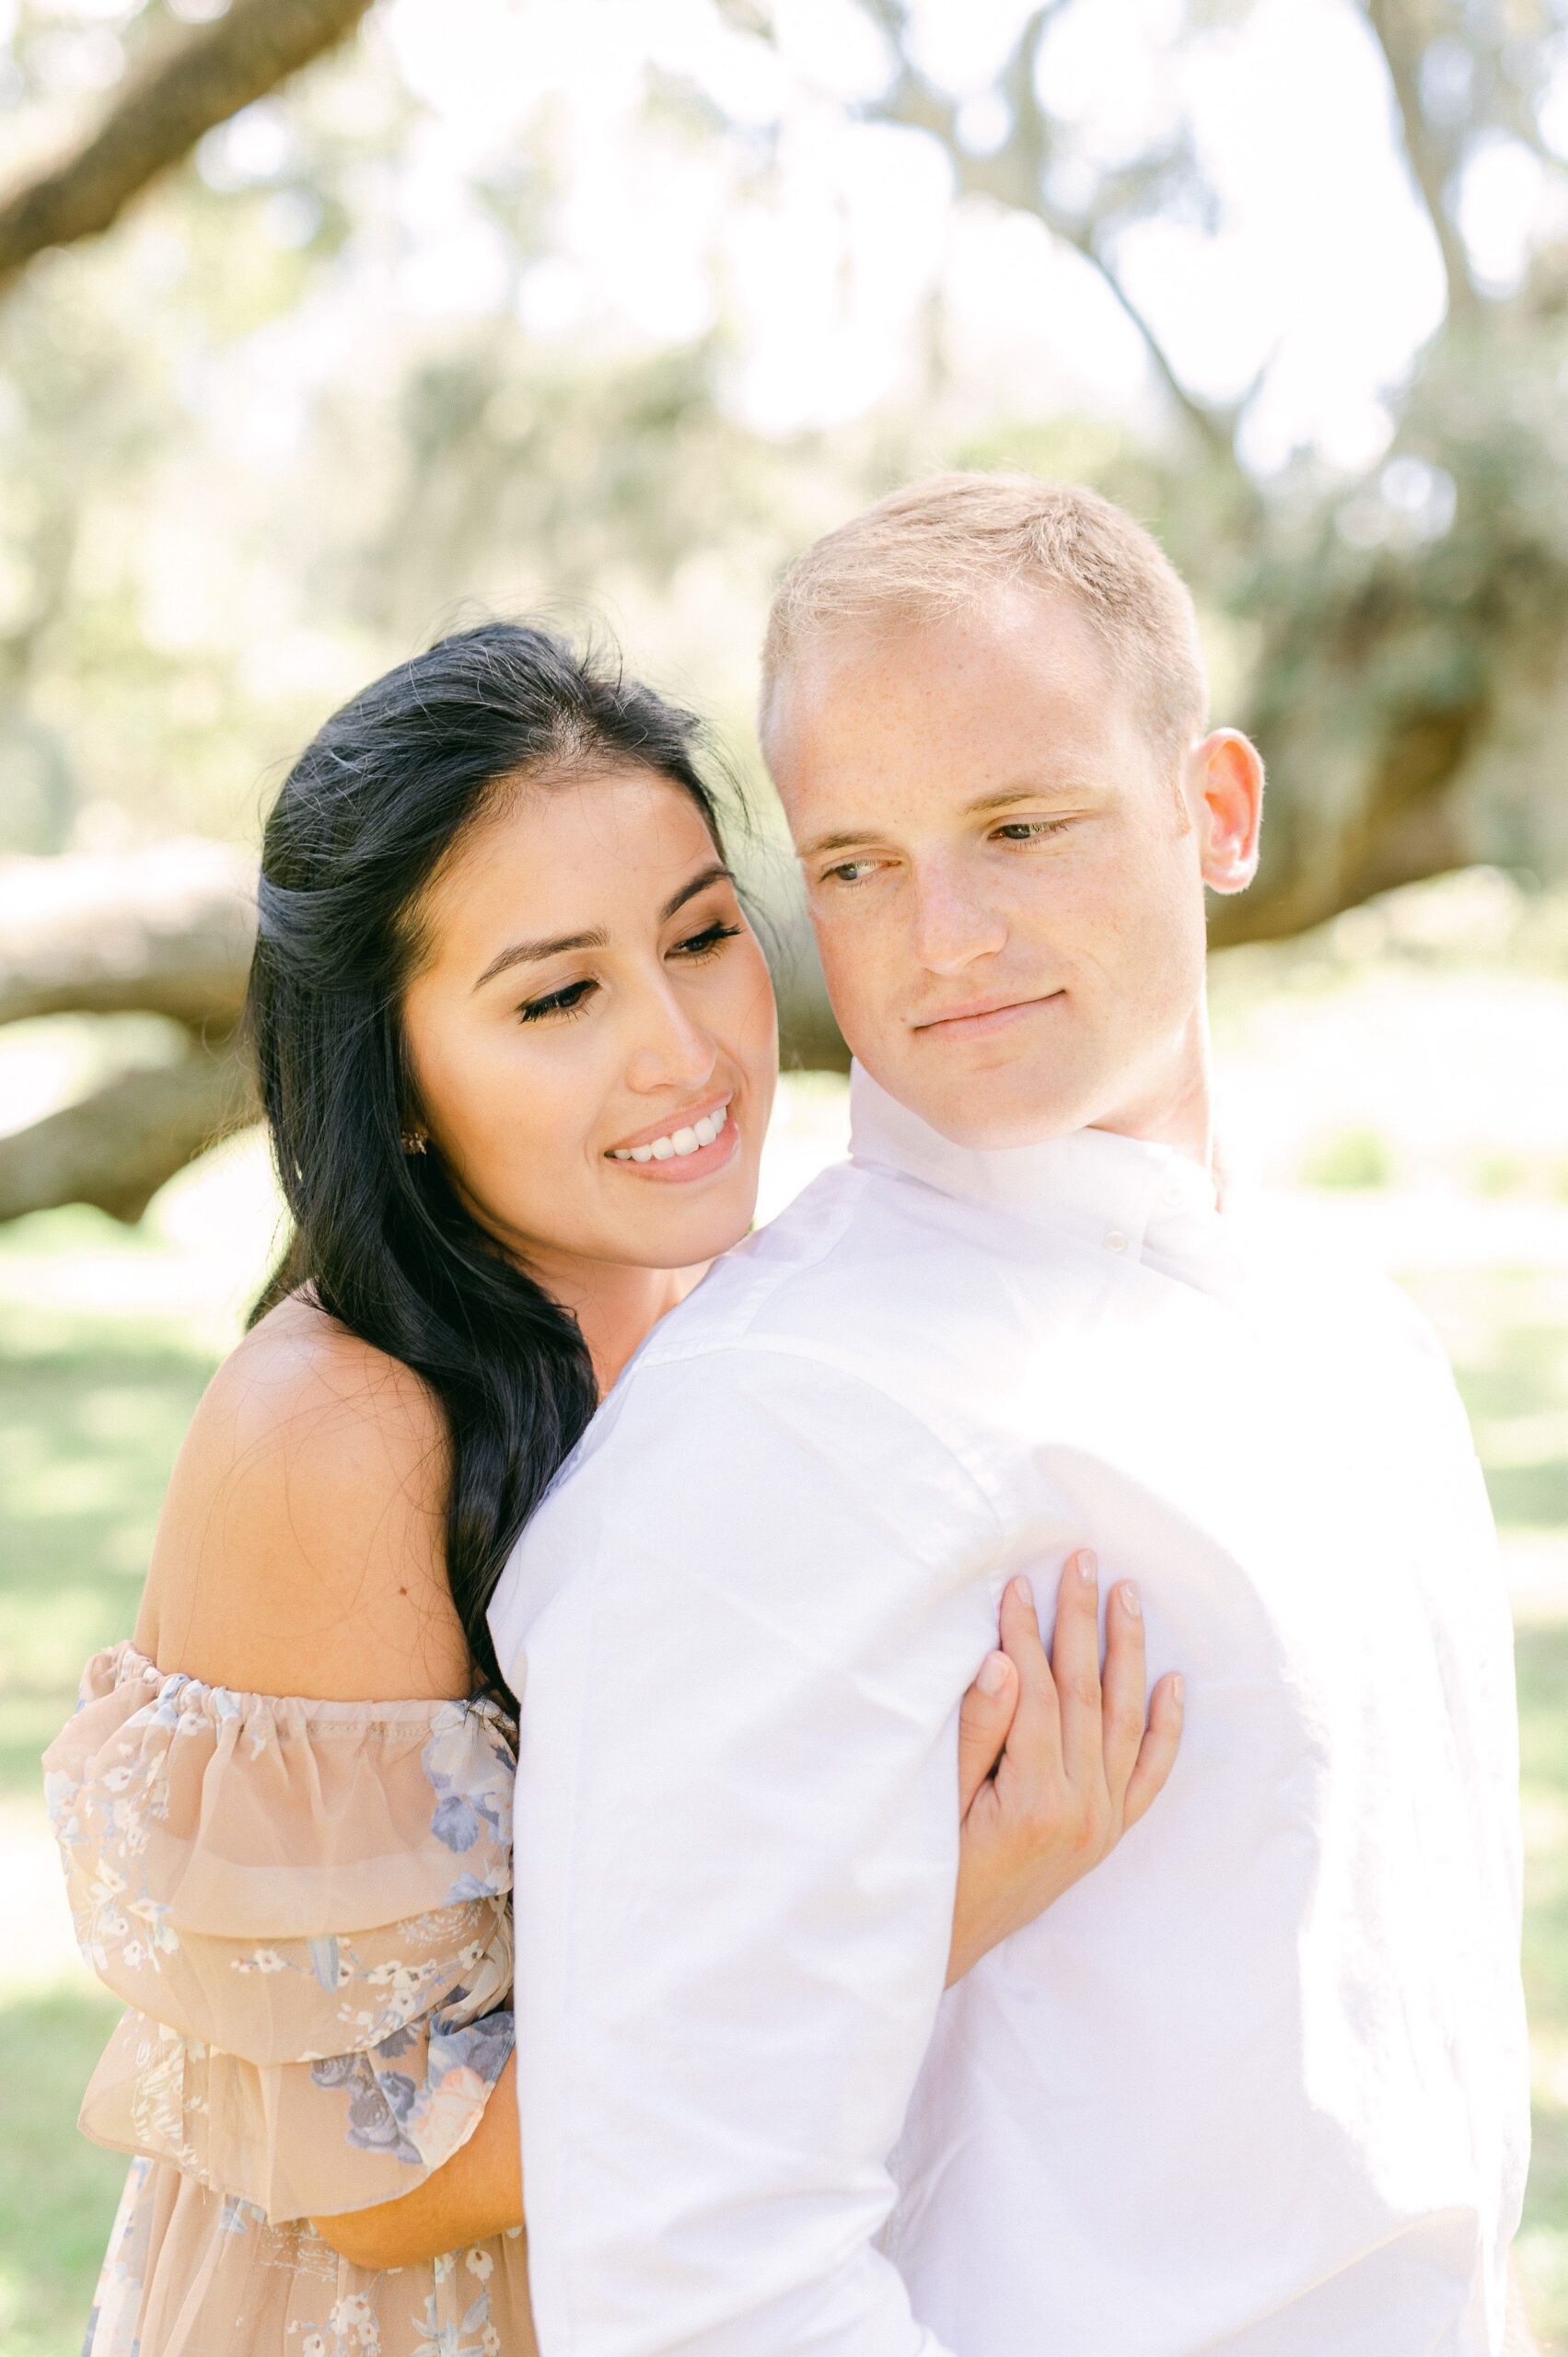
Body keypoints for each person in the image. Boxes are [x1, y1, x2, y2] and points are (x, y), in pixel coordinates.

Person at [42, 621, 1183, 2356]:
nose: (684, 1052)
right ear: (396, 1081)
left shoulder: (737, 1310)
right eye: (559, 996)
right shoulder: (340, 1435)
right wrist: (937, 1909)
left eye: (705, 938)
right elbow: (378, 2181)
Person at [487, 476, 1534, 2356]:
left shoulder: (1361, 1337)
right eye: (861, 862)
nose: (940, 936)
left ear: (1216, 810)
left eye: (1019, 826)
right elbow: (691, 2278)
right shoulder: (778, 1428)